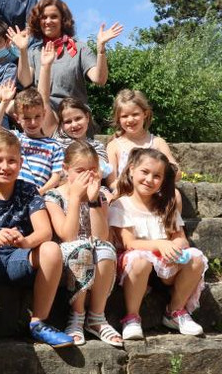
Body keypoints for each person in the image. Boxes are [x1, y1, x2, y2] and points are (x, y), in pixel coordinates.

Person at [0, 131, 72, 350]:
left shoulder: (28, 191)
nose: (5, 166)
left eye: (12, 161)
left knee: (51, 249)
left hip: (17, 257)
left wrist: (25, 241)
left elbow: (44, 232)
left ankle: (39, 322)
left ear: (20, 163)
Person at [109, 148, 207, 339]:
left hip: (165, 265)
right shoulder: (122, 204)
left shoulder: (166, 204)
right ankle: (132, 317)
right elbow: (129, 243)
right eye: (144, 172)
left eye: (156, 176)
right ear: (131, 170)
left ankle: (175, 311)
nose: (149, 179)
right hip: (135, 266)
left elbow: (180, 237)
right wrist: (161, 244)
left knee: (196, 258)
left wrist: (176, 247)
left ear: (163, 180)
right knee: (138, 259)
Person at [44, 141, 122, 347]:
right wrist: (77, 198)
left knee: (105, 249)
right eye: (80, 171)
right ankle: (77, 315)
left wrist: (94, 199)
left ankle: (96, 316)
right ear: (65, 169)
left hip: (95, 254)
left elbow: (101, 235)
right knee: (81, 248)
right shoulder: (54, 197)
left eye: (92, 170)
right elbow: (67, 236)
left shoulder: (101, 195)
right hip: (67, 260)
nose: (87, 176)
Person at [27, 0, 123, 111]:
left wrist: (101, 48)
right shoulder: (34, 52)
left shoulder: (79, 48)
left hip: (74, 116)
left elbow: (100, 79)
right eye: (43, 17)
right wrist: (22, 50)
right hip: (45, 116)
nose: (48, 21)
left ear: (63, 20)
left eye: (54, 17)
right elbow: (25, 81)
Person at [35, 48, 114, 185]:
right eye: (68, 121)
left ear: (87, 117)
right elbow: (43, 101)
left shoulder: (97, 146)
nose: (74, 124)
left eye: (78, 118)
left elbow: (98, 172)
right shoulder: (56, 139)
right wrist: (46, 66)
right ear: (61, 124)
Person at [0, 86, 64, 195]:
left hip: (38, 195)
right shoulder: (15, 138)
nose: (33, 122)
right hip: (13, 193)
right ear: (17, 118)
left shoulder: (54, 145)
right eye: (26, 118)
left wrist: (39, 192)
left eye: (37, 116)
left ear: (44, 114)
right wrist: (4, 102)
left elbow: (56, 177)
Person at [106, 89, 181, 182]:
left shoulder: (158, 143)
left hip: (155, 192)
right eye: (124, 116)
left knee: (176, 194)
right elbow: (111, 183)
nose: (130, 120)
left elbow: (177, 175)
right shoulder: (114, 146)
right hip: (127, 193)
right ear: (118, 119)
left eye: (135, 114)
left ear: (145, 114)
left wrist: (171, 170)